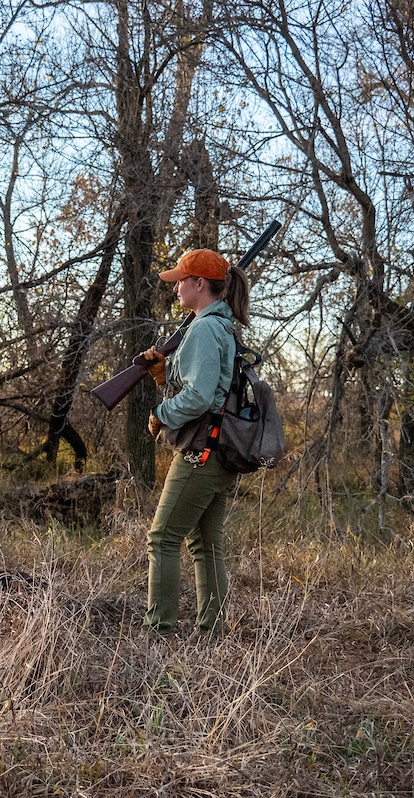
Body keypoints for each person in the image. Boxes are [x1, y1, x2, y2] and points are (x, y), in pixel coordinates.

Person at [139, 247, 251, 639]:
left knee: (162, 539)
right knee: (206, 545)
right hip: (218, 449)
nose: (176, 289)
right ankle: (211, 634)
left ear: (199, 283)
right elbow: (206, 387)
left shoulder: (204, 329)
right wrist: (163, 374)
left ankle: (157, 633)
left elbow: (201, 397)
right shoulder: (219, 326)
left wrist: (160, 413)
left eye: (181, 281)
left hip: (201, 451)